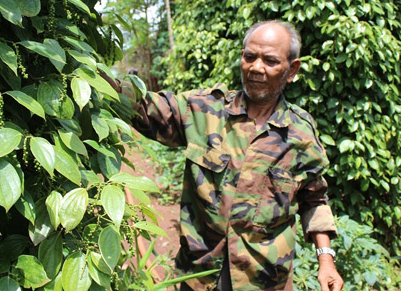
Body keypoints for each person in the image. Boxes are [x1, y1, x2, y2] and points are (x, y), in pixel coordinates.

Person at [107, 21, 344, 290]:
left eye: (270, 60)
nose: (256, 67)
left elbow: (314, 200)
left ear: (292, 70)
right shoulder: (204, 110)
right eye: (249, 56)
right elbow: (142, 107)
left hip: (265, 281)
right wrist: (90, 76)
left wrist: (326, 260)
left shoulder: (300, 134)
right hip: (198, 276)